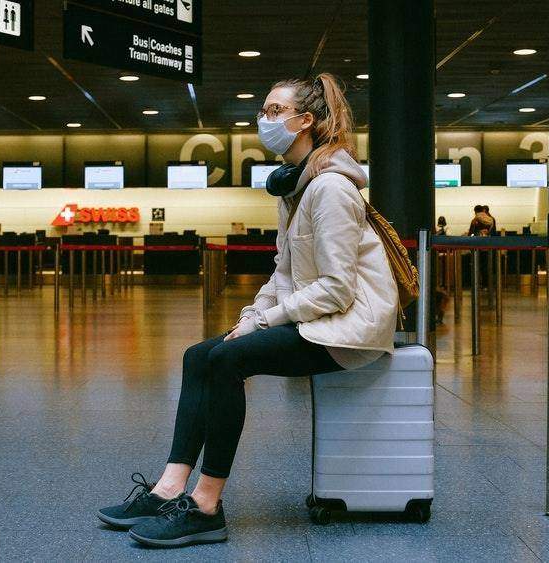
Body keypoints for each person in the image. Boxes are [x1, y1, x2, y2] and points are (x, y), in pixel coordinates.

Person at [97, 73, 399, 548]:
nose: (264, 120)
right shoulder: (296, 188)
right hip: (316, 319)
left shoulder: (332, 189)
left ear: (307, 121)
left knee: (226, 360)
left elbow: (338, 289)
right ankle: (168, 487)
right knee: (200, 354)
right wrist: (251, 315)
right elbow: (284, 271)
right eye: (264, 110)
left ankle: (205, 505)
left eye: (275, 111)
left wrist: (265, 322)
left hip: (348, 330)